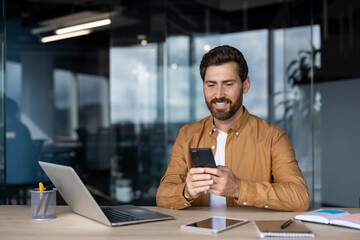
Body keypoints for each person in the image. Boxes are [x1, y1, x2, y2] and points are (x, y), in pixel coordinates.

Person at [156, 45, 310, 211]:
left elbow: (299, 197)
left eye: (228, 84)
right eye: (211, 84)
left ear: (245, 85)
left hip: (249, 235)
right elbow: (162, 195)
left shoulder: (273, 137)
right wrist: (186, 192)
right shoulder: (187, 135)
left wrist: (239, 189)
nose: (219, 94)